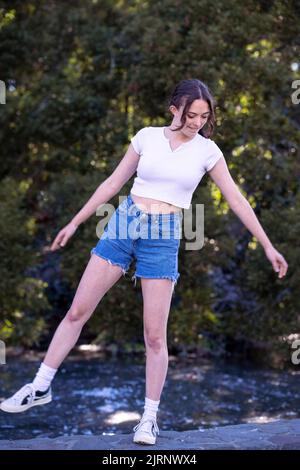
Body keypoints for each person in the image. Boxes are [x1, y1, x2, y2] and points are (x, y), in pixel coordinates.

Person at [0, 79, 288, 445]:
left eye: (204, 115)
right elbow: (112, 183)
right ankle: (39, 386)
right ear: (174, 109)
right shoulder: (147, 137)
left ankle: (148, 420)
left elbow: (237, 199)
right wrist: (74, 222)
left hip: (164, 235)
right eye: (190, 114)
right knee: (77, 311)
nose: (197, 121)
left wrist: (266, 245)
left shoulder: (208, 152)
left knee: (154, 335)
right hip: (124, 222)